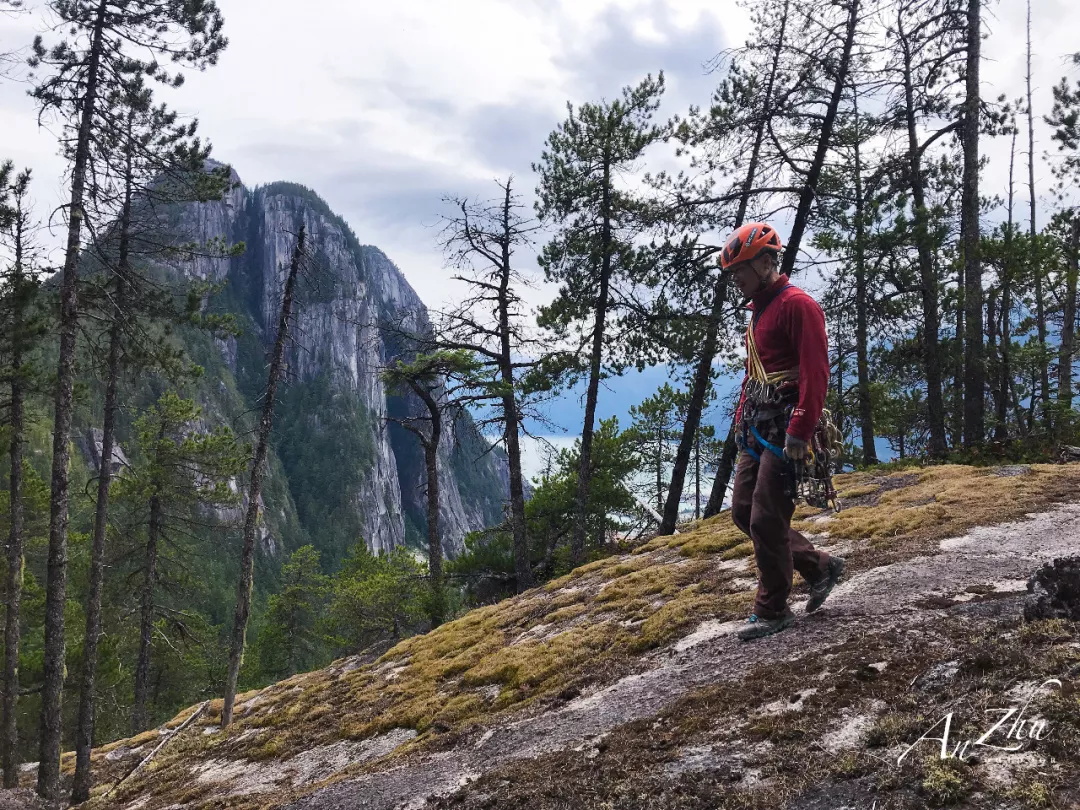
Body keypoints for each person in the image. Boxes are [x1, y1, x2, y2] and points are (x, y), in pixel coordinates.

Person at [717, 222, 846, 642]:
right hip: (758, 422)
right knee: (742, 511)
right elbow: (755, 373)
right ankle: (819, 566)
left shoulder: (797, 306)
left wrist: (801, 429)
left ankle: (772, 608)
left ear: (766, 262)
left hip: (787, 425)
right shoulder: (761, 309)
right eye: (733, 271)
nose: (735, 278)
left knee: (767, 516)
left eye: (740, 269)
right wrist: (740, 418)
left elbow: (815, 371)